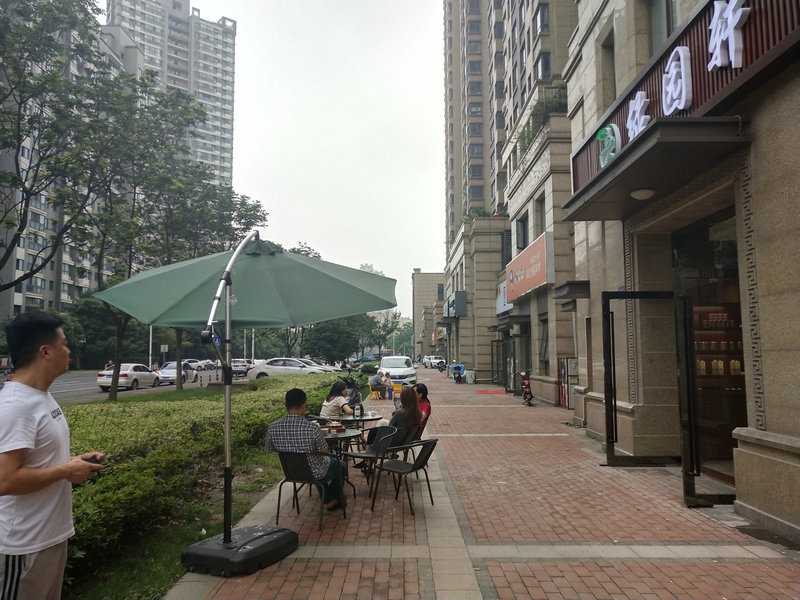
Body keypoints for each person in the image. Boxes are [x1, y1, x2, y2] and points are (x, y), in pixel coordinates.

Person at [0, 312, 105, 600]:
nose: (69, 351)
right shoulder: (16, 405)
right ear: (46, 352)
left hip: (49, 536)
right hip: (23, 545)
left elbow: (38, 461)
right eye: (65, 344)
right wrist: (65, 471)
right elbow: (5, 480)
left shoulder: (41, 397)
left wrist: (75, 464)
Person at [266, 388, 346, 510]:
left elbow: (270, 449)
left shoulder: (272, 427)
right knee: (339, 465)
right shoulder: (312, 428)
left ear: (286, 405)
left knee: (324, 464)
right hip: (314, 473)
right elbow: (324, 451)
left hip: (291, 473)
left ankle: (329, 498)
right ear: (303, 404)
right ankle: (332, 499)